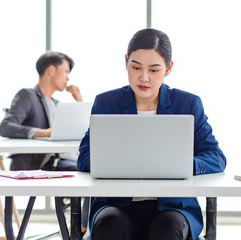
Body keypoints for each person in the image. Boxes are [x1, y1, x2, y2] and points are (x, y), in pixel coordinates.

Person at [77, 28, 227, 240]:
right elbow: (84, 158)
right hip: (117, 204)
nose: (144, 78)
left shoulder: (187, 104)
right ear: (126, 62)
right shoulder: (106, 103)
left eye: (154, 70)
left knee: (168, 229)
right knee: (109, 226)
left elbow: (216, 158)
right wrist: (117, 163)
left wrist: (180, 165)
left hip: (173, 207)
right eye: (136, 67)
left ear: (168, 68)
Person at [0, 51, 88, 232]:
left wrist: (79, 100)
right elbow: (6, 126)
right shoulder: (28, 96)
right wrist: (43, 133)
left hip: (61, 161)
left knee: (92, 170)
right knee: (86, 173)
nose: (68, 77)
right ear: (51, 70)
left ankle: (83, 229)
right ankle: (80, 230)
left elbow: (83, 130)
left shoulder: (57, 105)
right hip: (39, 163)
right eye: (65, 71)